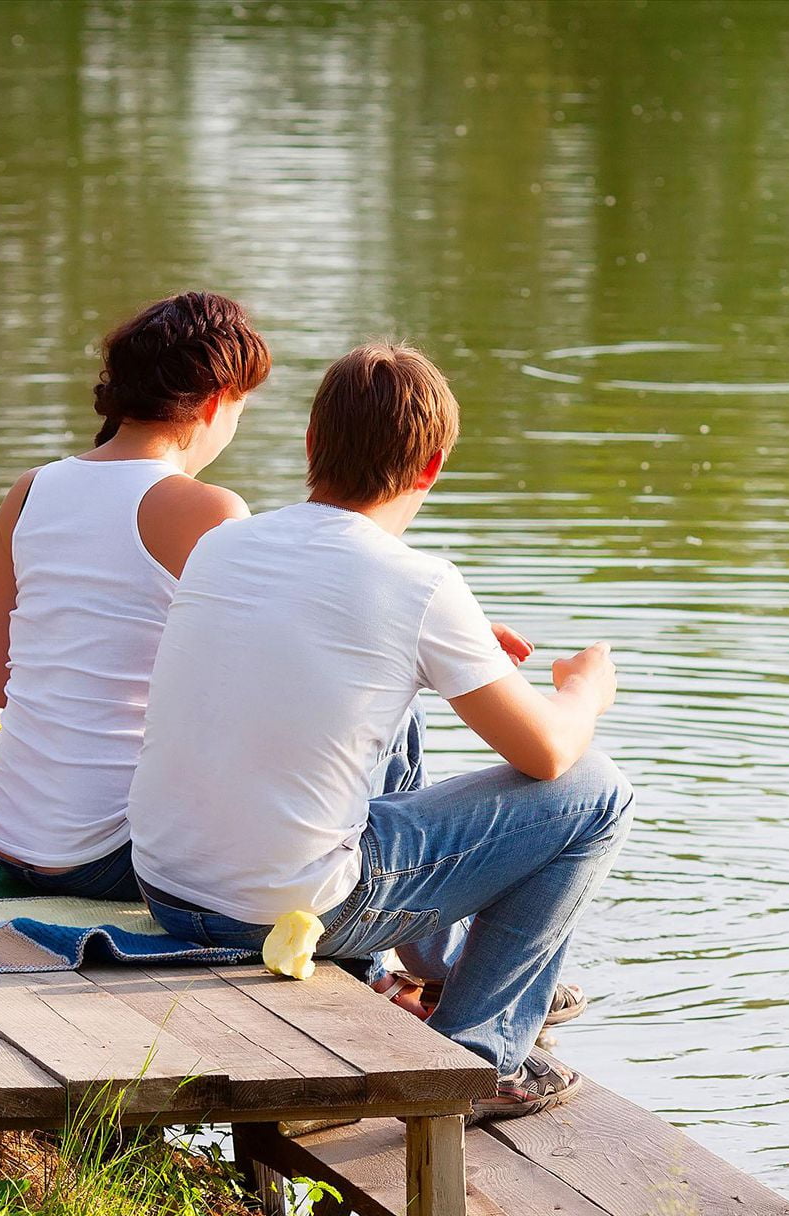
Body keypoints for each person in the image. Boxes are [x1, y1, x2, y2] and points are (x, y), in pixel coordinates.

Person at [128, 343, 632, 1117]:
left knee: (400, 704)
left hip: (167, 887)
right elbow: (551, 751)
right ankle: (480, 1057)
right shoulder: (420, 582)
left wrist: (442, 653)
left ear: (310, 445)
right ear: (431, 467)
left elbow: (300, 655)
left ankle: (435, 970)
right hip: (282, 913)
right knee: (600, 793)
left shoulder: (224, 543)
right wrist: (584, 690)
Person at [0, 291, 270, 899]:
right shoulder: (209, 510)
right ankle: (377, 963)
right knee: (388, 713)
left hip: (10, 836)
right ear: (217, 402)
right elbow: (261, 694)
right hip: (116, 852)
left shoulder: (29, 492)